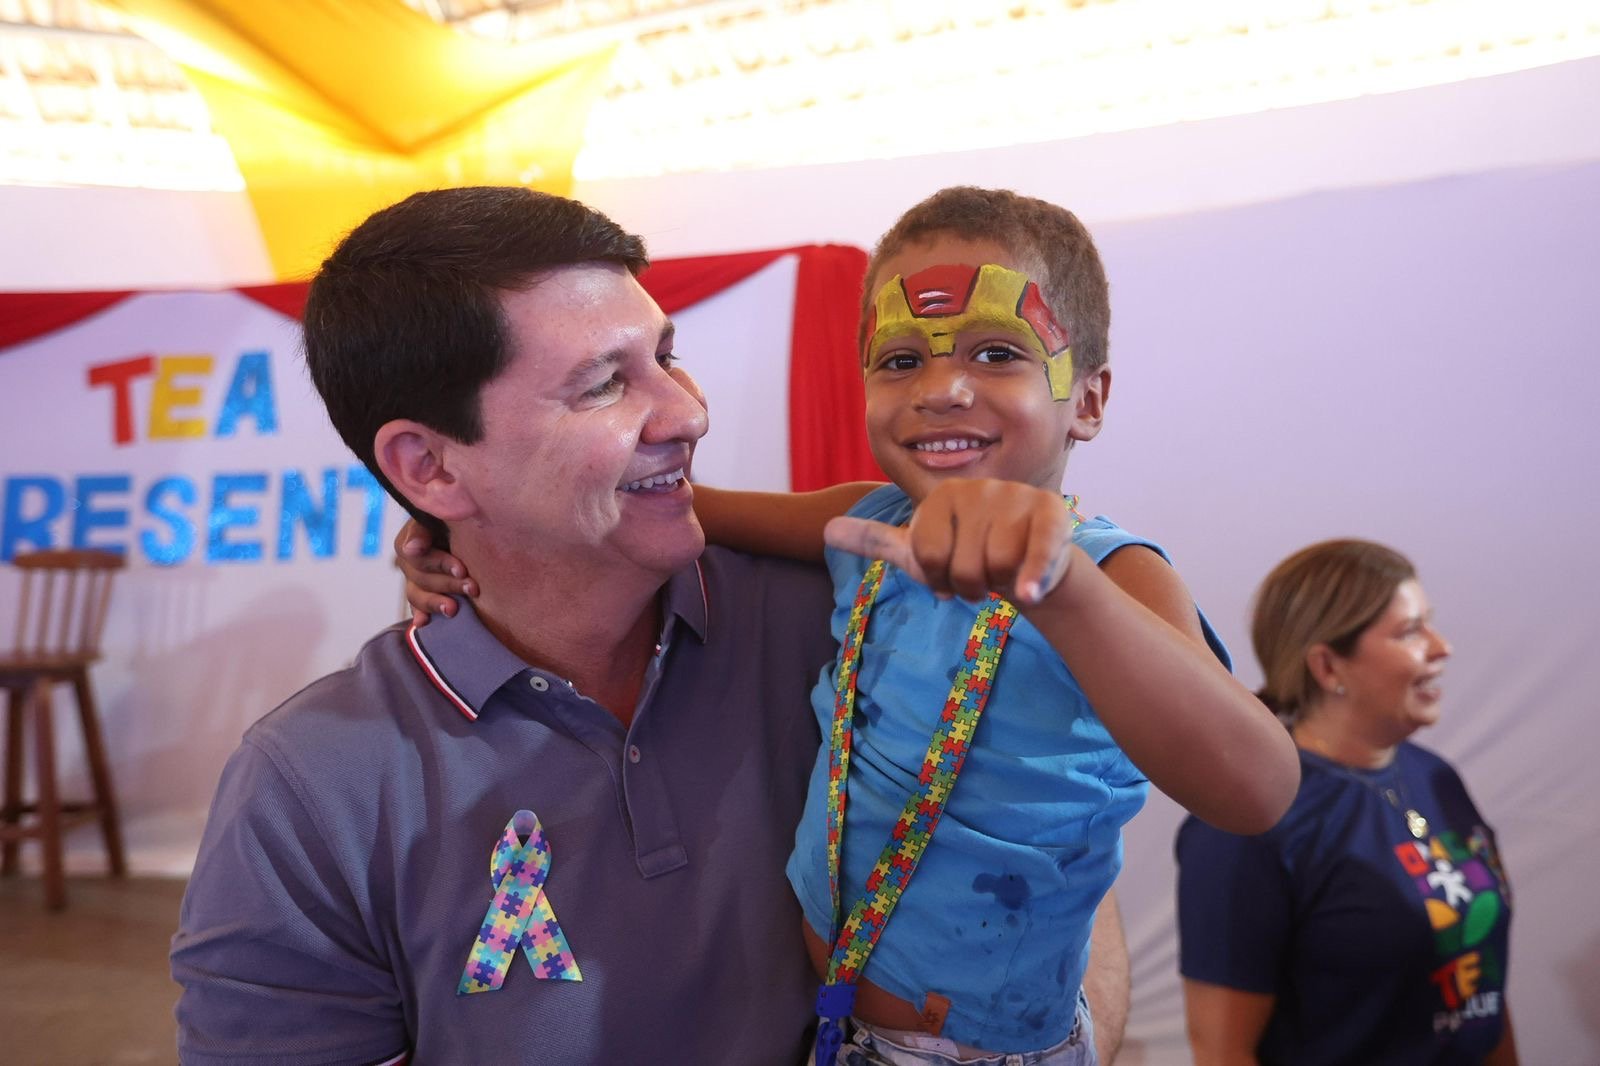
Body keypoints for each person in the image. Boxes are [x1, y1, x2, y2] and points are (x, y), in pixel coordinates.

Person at [400, 186, 1300, 1065]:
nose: (943, 389)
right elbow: (670, 510)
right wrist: (471, 523)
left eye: (997, 354)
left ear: (1089, 400)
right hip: (836, 1032)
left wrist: (1060, 591)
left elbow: (1257, 790)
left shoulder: (1111, 572)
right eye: (901, 360)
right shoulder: (866, 524)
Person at [169, 186, 845, 1064]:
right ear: (429, 467)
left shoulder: (845, 628)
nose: (688, 413)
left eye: (667, 357)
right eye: (604, 384)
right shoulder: (312, 786)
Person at [1175, 539, 1517, 1065]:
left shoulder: (1436, 777)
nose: (1441, 646)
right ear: (1329, 667)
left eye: (1429, 623)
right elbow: (1223, 1052)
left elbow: (1481, 989)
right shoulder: (1248, 819)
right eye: (1410, 631)